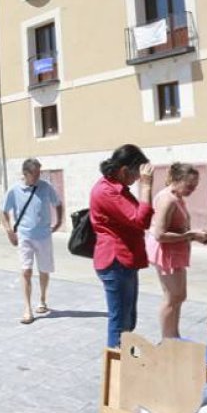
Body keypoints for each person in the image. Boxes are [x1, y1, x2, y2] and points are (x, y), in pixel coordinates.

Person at [90, 144, 155, 348]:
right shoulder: (106, 191)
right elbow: (141, 220)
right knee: (119, 325)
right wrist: (146, 186)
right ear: (125, 170)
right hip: (115, 261)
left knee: (128, 320)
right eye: (137, 174)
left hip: (125, 260)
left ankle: (125, 365)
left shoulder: (118, 189)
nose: (137, 179)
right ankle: (117, 373)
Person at [145, 163, 207, 339]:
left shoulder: (177, 196)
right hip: (165, 252)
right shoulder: (167, 200)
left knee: (179, 296)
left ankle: (173, 336)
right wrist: (191, 234)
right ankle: (168, 339)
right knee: (171, 298)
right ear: (177, 180)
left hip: (174, 251)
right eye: (190, 185)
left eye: (195, 185)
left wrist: (196, 236)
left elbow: (178, 228)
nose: (193, 189)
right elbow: (160, 234)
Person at [1, 158, 63, 325]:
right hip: (24, 236)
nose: (37, 177)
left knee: (44, 270)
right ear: (25, 174)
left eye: (39, 174)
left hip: (43, 235)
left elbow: (58, 203)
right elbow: (4, 211)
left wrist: (58, 222)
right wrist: (9, 231)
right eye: (34, 174)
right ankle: (27, 308)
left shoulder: (46, 187)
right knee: (26, 271)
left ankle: (42, 299)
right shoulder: (14, 190)